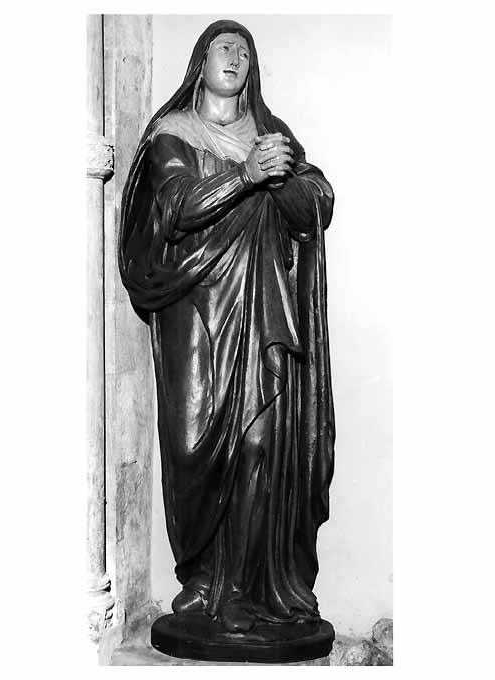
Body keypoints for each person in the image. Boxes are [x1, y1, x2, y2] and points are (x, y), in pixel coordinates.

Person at [119, 19, 335, 635]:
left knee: (261, 443)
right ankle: (203, 578)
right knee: (193, 445)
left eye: (245, 50)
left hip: (263, 310)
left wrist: (286, 181)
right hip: (194, 312)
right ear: (201, 61)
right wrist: (246, 176)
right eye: (224, 47)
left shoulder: (270, 134)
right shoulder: (172, 134)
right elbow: (176, 206)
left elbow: (316, 204)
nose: (235, 56)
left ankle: (253, 589)